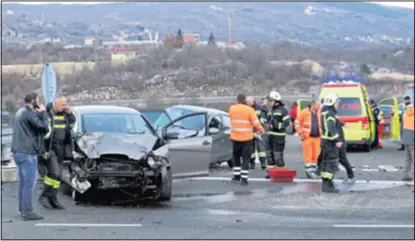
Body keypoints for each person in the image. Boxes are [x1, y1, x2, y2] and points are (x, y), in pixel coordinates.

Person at [11, 92, 49, 221]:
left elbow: (33, 120)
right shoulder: (27, 114)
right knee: (29, 183)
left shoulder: (21, 112)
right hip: (27, 152)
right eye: (37, 101)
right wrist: (44, 112)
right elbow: (44, 127)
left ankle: (23, 209)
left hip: (18, 152)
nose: (39, 103)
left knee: (23, 182)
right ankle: (27, 212)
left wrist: (39, 113)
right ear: (33, 101)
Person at [38, 97, 76, 209]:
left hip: (61, 148)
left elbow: (71, 126)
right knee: (54, 172)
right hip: (50, 147)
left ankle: (53, 197)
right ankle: (44, 196)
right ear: (55, 104)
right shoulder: (48, 113)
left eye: (66, 105)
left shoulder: (64, 114)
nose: (65, 107)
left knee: (59, 175)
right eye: (62, 105)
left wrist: (70, 114)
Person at [229, 94, 264, 185]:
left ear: (237, 100)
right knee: (246, 159)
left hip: (235, 138)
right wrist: (261, 130)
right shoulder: (250, 110)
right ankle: (244, 179)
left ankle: (236, 177)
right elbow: (256, 123)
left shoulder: (232, 109)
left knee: (236, 157)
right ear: (245, 101)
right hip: (246, 139)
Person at [320, 93, 343, 193]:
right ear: (332, 103)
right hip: (330, 142)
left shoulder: (324, 112)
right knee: (332, 163)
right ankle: (328, 185)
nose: (337, 104)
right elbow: (331, 128)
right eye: (336, 102)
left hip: (325, 141)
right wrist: (337, 140)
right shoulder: (330, 113)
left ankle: (326, 183)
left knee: (326, 163)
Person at [265, 91, 290, 178]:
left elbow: (287, 123)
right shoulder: (271, 110)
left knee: (278, 156)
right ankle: (271, 172)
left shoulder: (283, 110)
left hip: (279, 136)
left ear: (276, 101)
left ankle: (281, 173)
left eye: (271, 100)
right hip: (270, 135)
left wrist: (277, 125)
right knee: (269, 155)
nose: (270, 102)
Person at [295, 100, 321, 179]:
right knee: (308, 156)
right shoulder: (304, 112)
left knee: (316, 155)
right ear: (313, 105)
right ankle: (309, 172)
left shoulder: (319, 112)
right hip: (307, 137)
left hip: (317, 137)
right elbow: (296, 123)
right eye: (318, 105)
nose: (319, 106)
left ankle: (314, 171)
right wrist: (300, 133)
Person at [246, 96, 268, 170]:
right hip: (250, 131)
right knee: (251, 148)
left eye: (249, 102)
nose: (248, 104)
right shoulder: (246, 108)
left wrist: (260, 129)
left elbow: (264, 119)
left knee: (261, 147)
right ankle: (252, 163)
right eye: (247, 103)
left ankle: (263, 163)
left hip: (258, 130)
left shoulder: (259, 108)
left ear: (253, 101)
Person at [401, 105, 414, 182]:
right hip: (413, 140)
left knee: (408, 158)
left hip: (406, 139)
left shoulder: (406, 115)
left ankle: (405, 175)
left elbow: (401, 128)